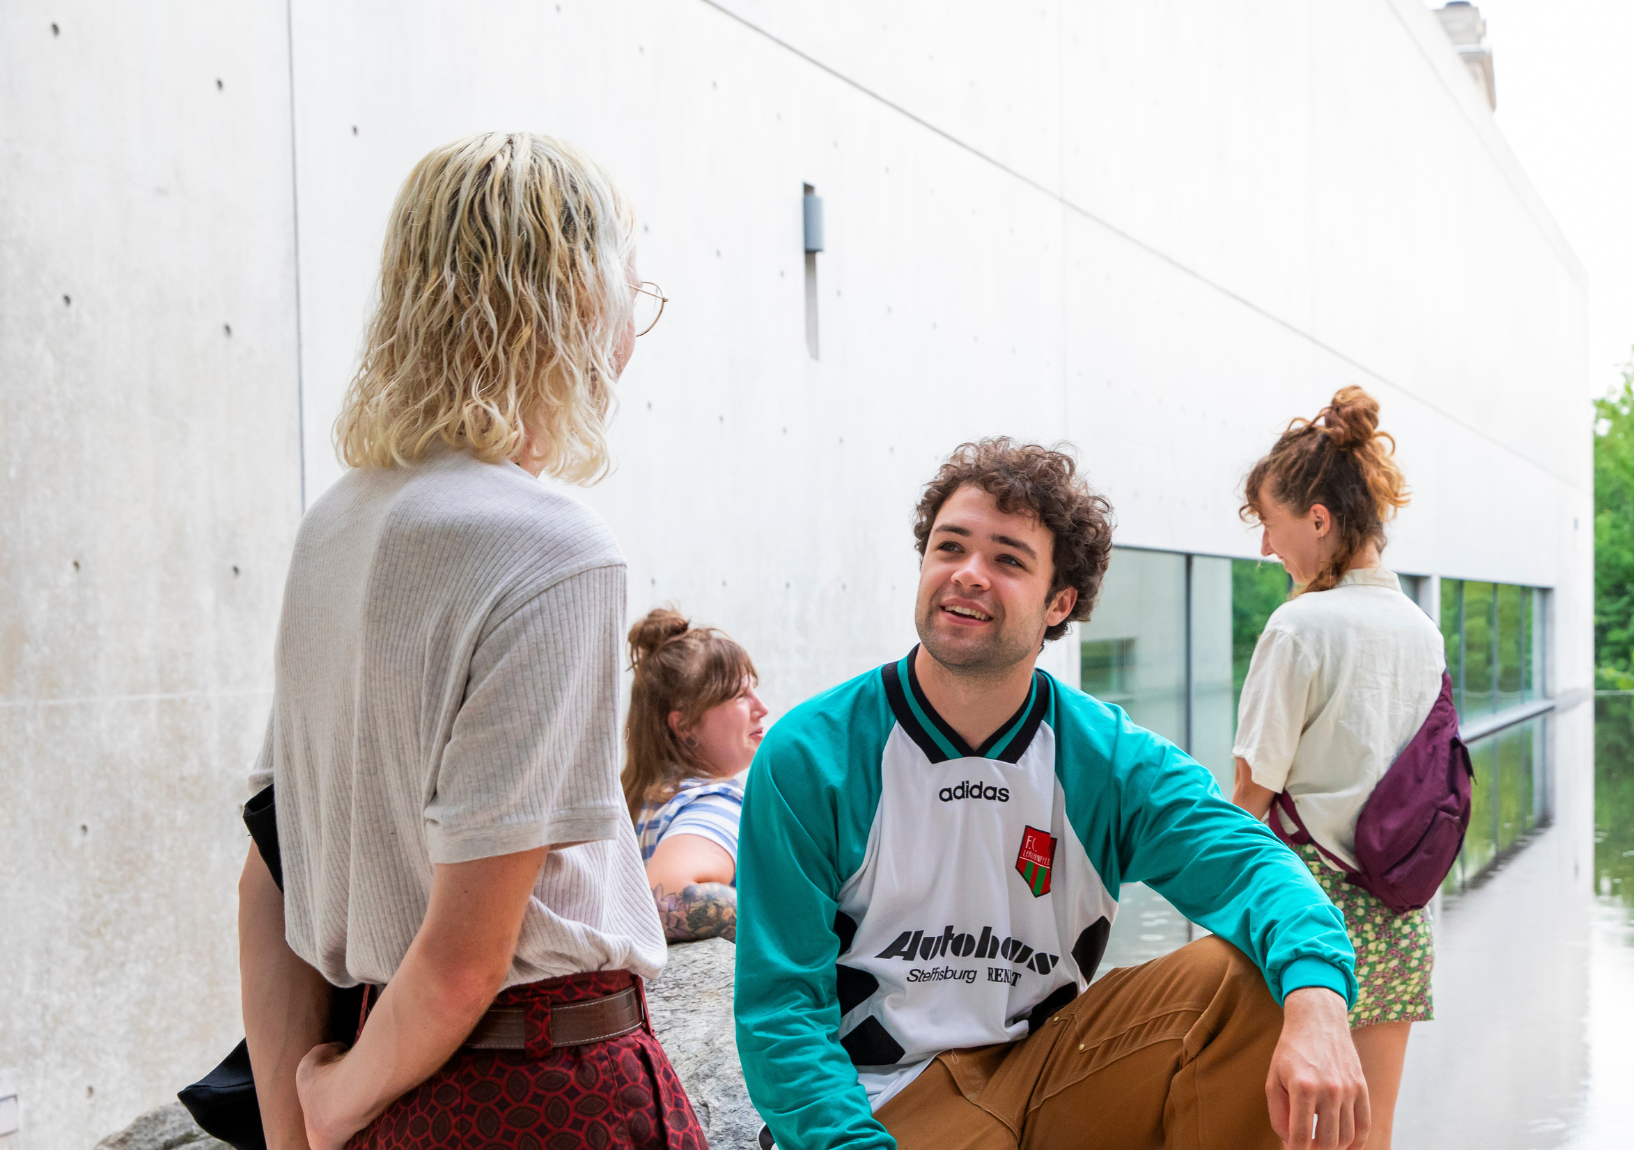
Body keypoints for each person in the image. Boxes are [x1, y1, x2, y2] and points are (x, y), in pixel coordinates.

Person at [236, 132, 704, 1150]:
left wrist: (304, 1124)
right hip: (541, 1088)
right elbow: (464, 955)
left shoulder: (337, 525)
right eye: (633, 284)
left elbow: (271, 868)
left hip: (384, 1087)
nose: (637, 317)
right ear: (573, 299)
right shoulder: (551, 543)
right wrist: (342, 1092)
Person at [733, 439, 1372, 1150]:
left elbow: (1254, 864)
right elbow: (781, 1013)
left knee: (1247, 980)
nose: (968, 575)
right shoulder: (813, 754)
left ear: (1058, 602)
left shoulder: (1103, 757)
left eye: (1008, 559)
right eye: (950, 548)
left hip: (1047, 1072)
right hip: (891, 1105)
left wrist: (1318, 1000)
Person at [1228, 386, 1443, 1150]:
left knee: (1274, 1132)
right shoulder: (1423, 632)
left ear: (1318, 520)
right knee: (1368, 1134)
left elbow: (1251, 792)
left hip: (1302, 916)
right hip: (1397, 908)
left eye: (1270, 524)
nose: (1265, 547)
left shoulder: (1297, 627)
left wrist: (1205, 921)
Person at [623, 607, 770, 942]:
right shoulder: (713, 801)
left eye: (754, 689)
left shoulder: (642, 798)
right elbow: (668, 895)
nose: (762, 707)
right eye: (739, 695)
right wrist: (794, 930)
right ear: (685, 724)